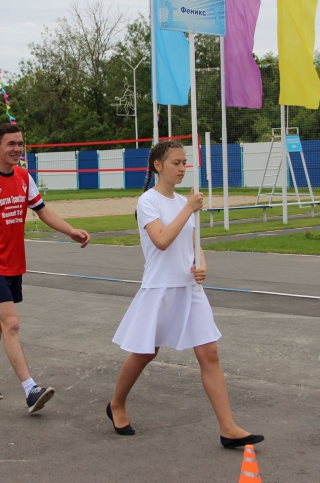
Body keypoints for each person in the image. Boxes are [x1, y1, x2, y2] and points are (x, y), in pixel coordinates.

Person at [107, 140, 263, 448]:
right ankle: (116, 404)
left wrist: (201, 265)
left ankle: (228, 428)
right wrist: (189, 208)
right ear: (158, 166)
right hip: (160, 287)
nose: (182, 168)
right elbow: (162, 240)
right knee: (145, 352)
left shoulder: (183, 201)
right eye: (176, 163)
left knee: (209, 353)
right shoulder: (148, 201)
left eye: (184, 162)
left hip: (190, 288)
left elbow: (194, 243)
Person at [0, 123, 91, 414]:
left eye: (20, 143)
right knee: (11, 323)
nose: (17, 149)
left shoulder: (23, 177)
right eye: (11, 144)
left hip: (13, 263)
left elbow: (42, 210)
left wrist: (70, 230)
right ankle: (31, 390)